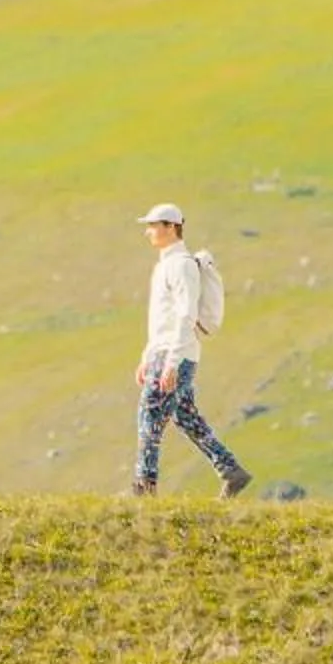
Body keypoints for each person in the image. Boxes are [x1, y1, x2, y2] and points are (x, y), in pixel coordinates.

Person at [132, 203, 252, 499]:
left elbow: (185, 315)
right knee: (187, 418)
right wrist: (147, 356)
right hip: (166, 352)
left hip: (176, 354)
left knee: (149, 416)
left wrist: (171, 362)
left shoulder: (182, 265)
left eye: (153, 225)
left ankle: (144, 489)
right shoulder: (165, 266)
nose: (148, 232)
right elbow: (163, 319)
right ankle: (231, 471)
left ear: (171, 227)